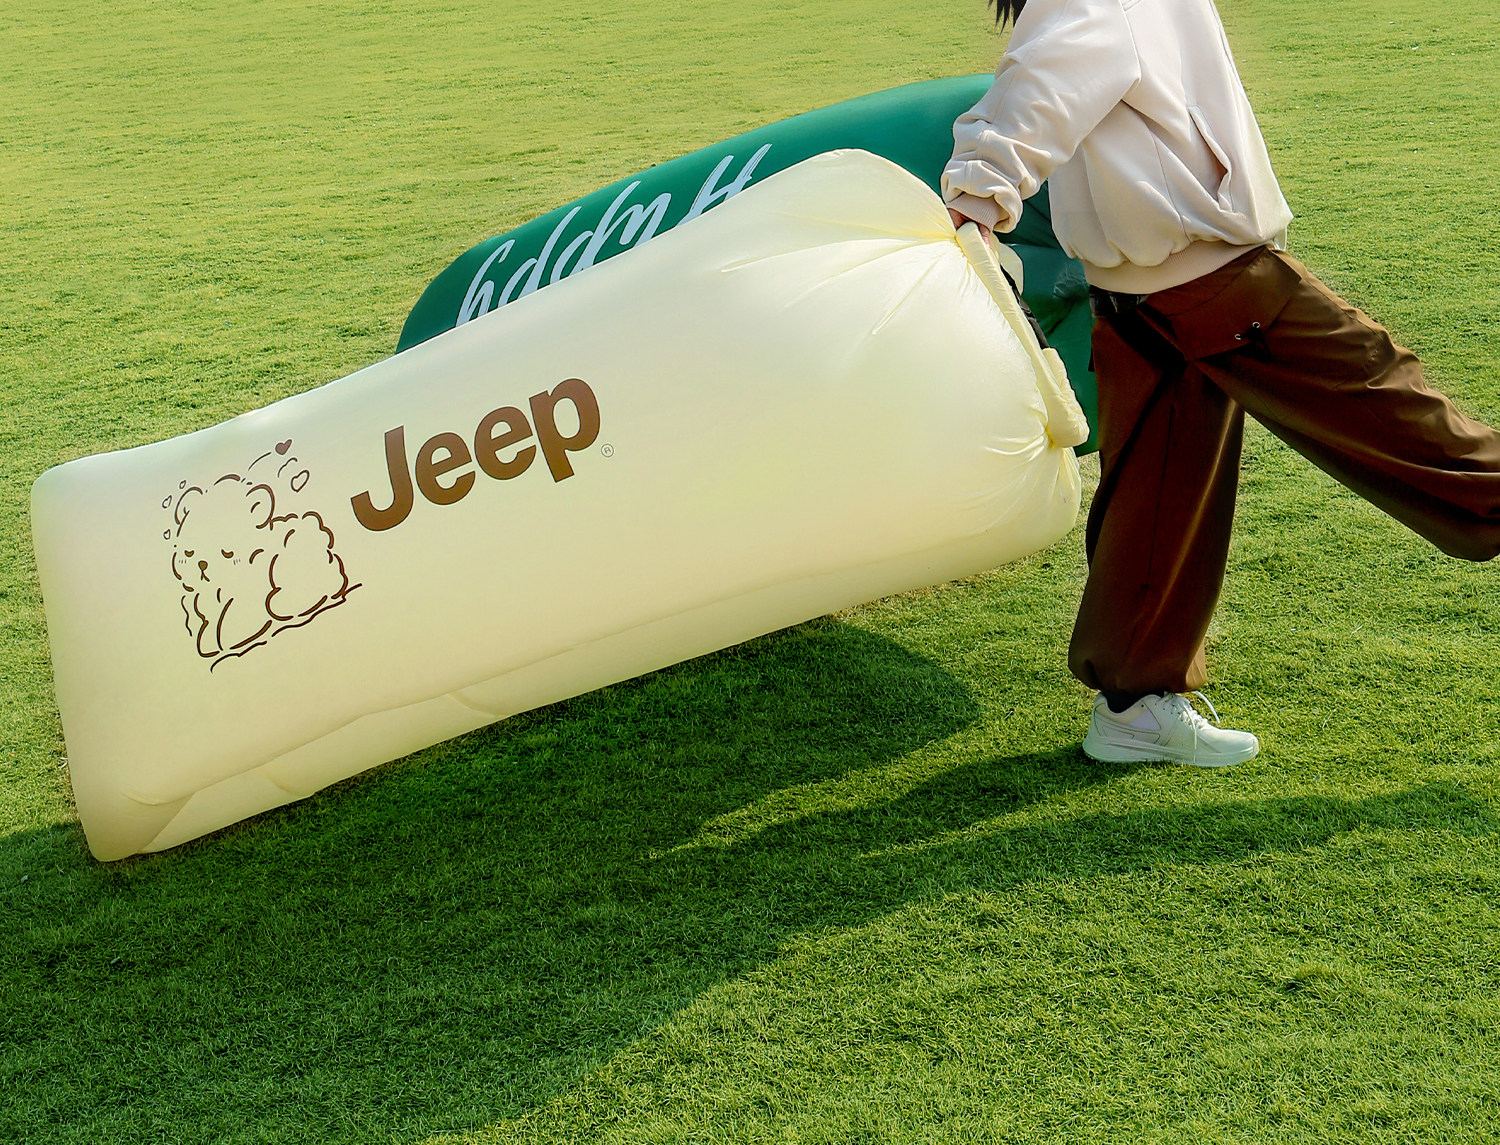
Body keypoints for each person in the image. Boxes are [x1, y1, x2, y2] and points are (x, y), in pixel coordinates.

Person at [942, 0, 1500, 767]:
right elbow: (1038, 85)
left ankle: (1133, 707)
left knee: (1158, 497)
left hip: (1143, 293)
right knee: (1394, 403)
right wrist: (976, 197)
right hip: (1207, 280)